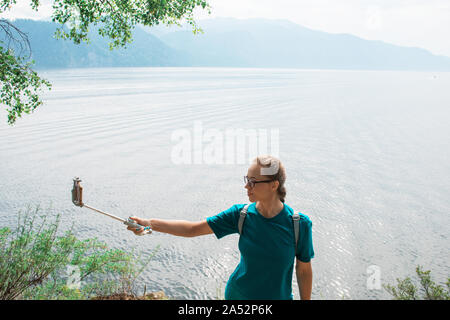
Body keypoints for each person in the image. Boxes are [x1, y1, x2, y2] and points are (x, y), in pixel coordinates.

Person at [127, 155, 314, 300]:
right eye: (246, 179)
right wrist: (150, 223)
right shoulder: (240, 215)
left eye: (253, 182)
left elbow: (303, 269)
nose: (246, 186)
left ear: (274, 185)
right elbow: (192, 229)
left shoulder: (299, 225)